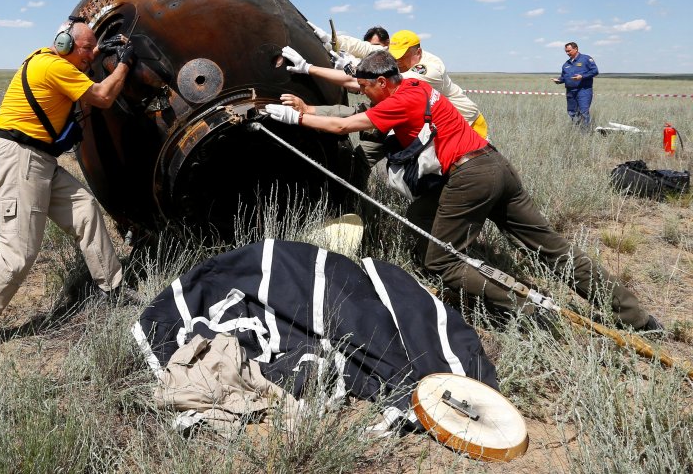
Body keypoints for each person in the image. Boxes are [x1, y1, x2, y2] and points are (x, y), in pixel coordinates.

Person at [264, 50, 661, 332]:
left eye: (368, 89)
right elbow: (352, 82)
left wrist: (295, 116)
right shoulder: (413, 84)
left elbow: (342, 127)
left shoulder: (396, 103)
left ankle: (528, 311)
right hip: (495, 165)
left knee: (441, 260)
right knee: (550, 248)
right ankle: (637, 319)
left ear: (384, 82)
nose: (361, 93)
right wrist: (309, 75)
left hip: (468, 177)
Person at [0, 20, 141, 363]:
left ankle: (111, 290)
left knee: (85, 209)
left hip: (38, 160)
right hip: (19, 160)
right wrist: (125, 62)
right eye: (87, 50)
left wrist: (104, 49)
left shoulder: (54, 60)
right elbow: (103, 96)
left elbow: (88, 66)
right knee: (18, 253)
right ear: (66, 45)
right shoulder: (53, 65)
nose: (91, 56)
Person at [284, 29, 488, 139]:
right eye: (395, 56)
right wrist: (335, 41)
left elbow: (378, 82)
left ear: (417, 52)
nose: (397, 62)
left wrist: (353, 67)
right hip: (425, 124)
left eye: (403, 57)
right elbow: (367, 49)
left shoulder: (430, 69)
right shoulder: (400, 68)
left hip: (466, 125)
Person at [553, 41, 598, 128]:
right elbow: (564, 77)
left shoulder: (586, 59)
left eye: (569, 51)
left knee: (583, 112)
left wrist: (582, 76)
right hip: (570, 92)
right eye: (566, 51)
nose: (567, 53)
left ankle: (585, 134)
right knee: (572, 112)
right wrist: (559, 80)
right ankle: (576, 131)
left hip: (584, 90)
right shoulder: (566, 64)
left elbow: (595, 71)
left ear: (576, 49)